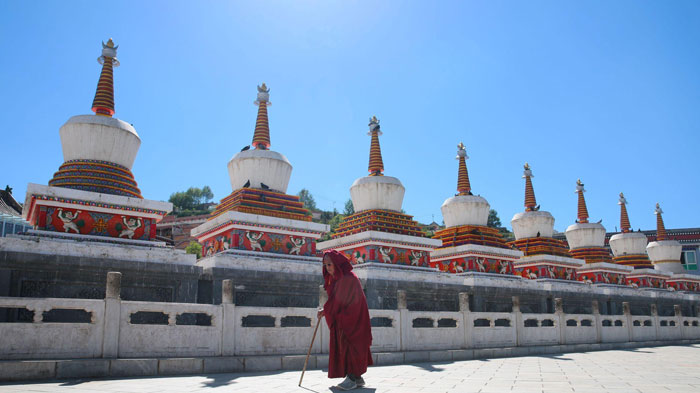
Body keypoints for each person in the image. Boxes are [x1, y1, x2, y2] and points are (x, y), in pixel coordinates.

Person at [317, 250, 373, 390]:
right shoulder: (341, 278)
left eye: (330, 264)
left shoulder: (347, 279)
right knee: (349, 346)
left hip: (352, 320)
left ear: (337, 263)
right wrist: (327, 310)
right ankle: (357, 378)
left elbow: (338, 302)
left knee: (349, 346)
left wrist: (326, 310)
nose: (328, 268)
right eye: (325, 265)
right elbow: (337, 302)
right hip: (347, 317)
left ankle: (352, 378)